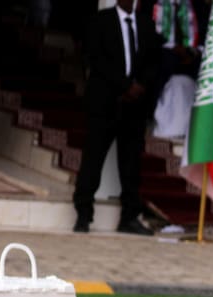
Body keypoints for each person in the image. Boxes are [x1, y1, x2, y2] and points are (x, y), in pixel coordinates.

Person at [73, 0, 160, 236]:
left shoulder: (145, 24)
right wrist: (124, 86)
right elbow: (97, 59)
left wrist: (140, 86)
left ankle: (129, 216)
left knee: (131, 164)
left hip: (134, 108)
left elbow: (153, 60)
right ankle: (83, 213)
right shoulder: (101, 21)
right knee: (93, 158)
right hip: (105, 103)